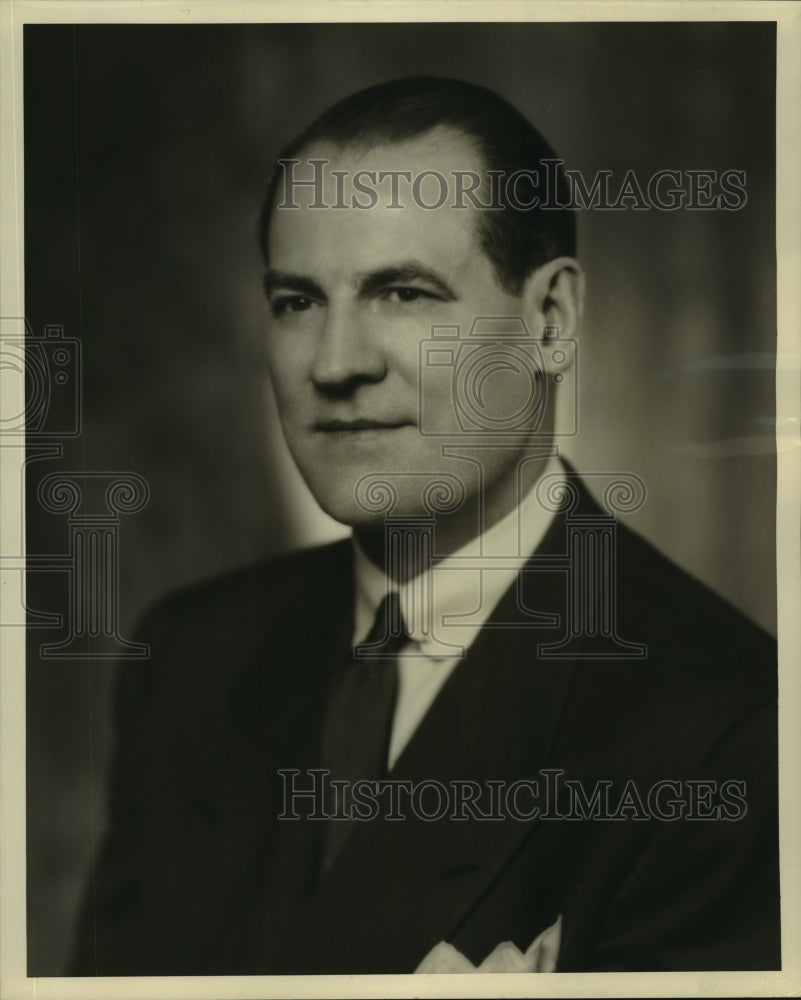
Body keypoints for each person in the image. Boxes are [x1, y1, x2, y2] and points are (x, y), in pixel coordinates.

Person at [70, 76, 780, 975]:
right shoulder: (187, 659)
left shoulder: (728, 735)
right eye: (297, 301)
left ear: (550, 320)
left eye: (402, 294)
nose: (335, 363)